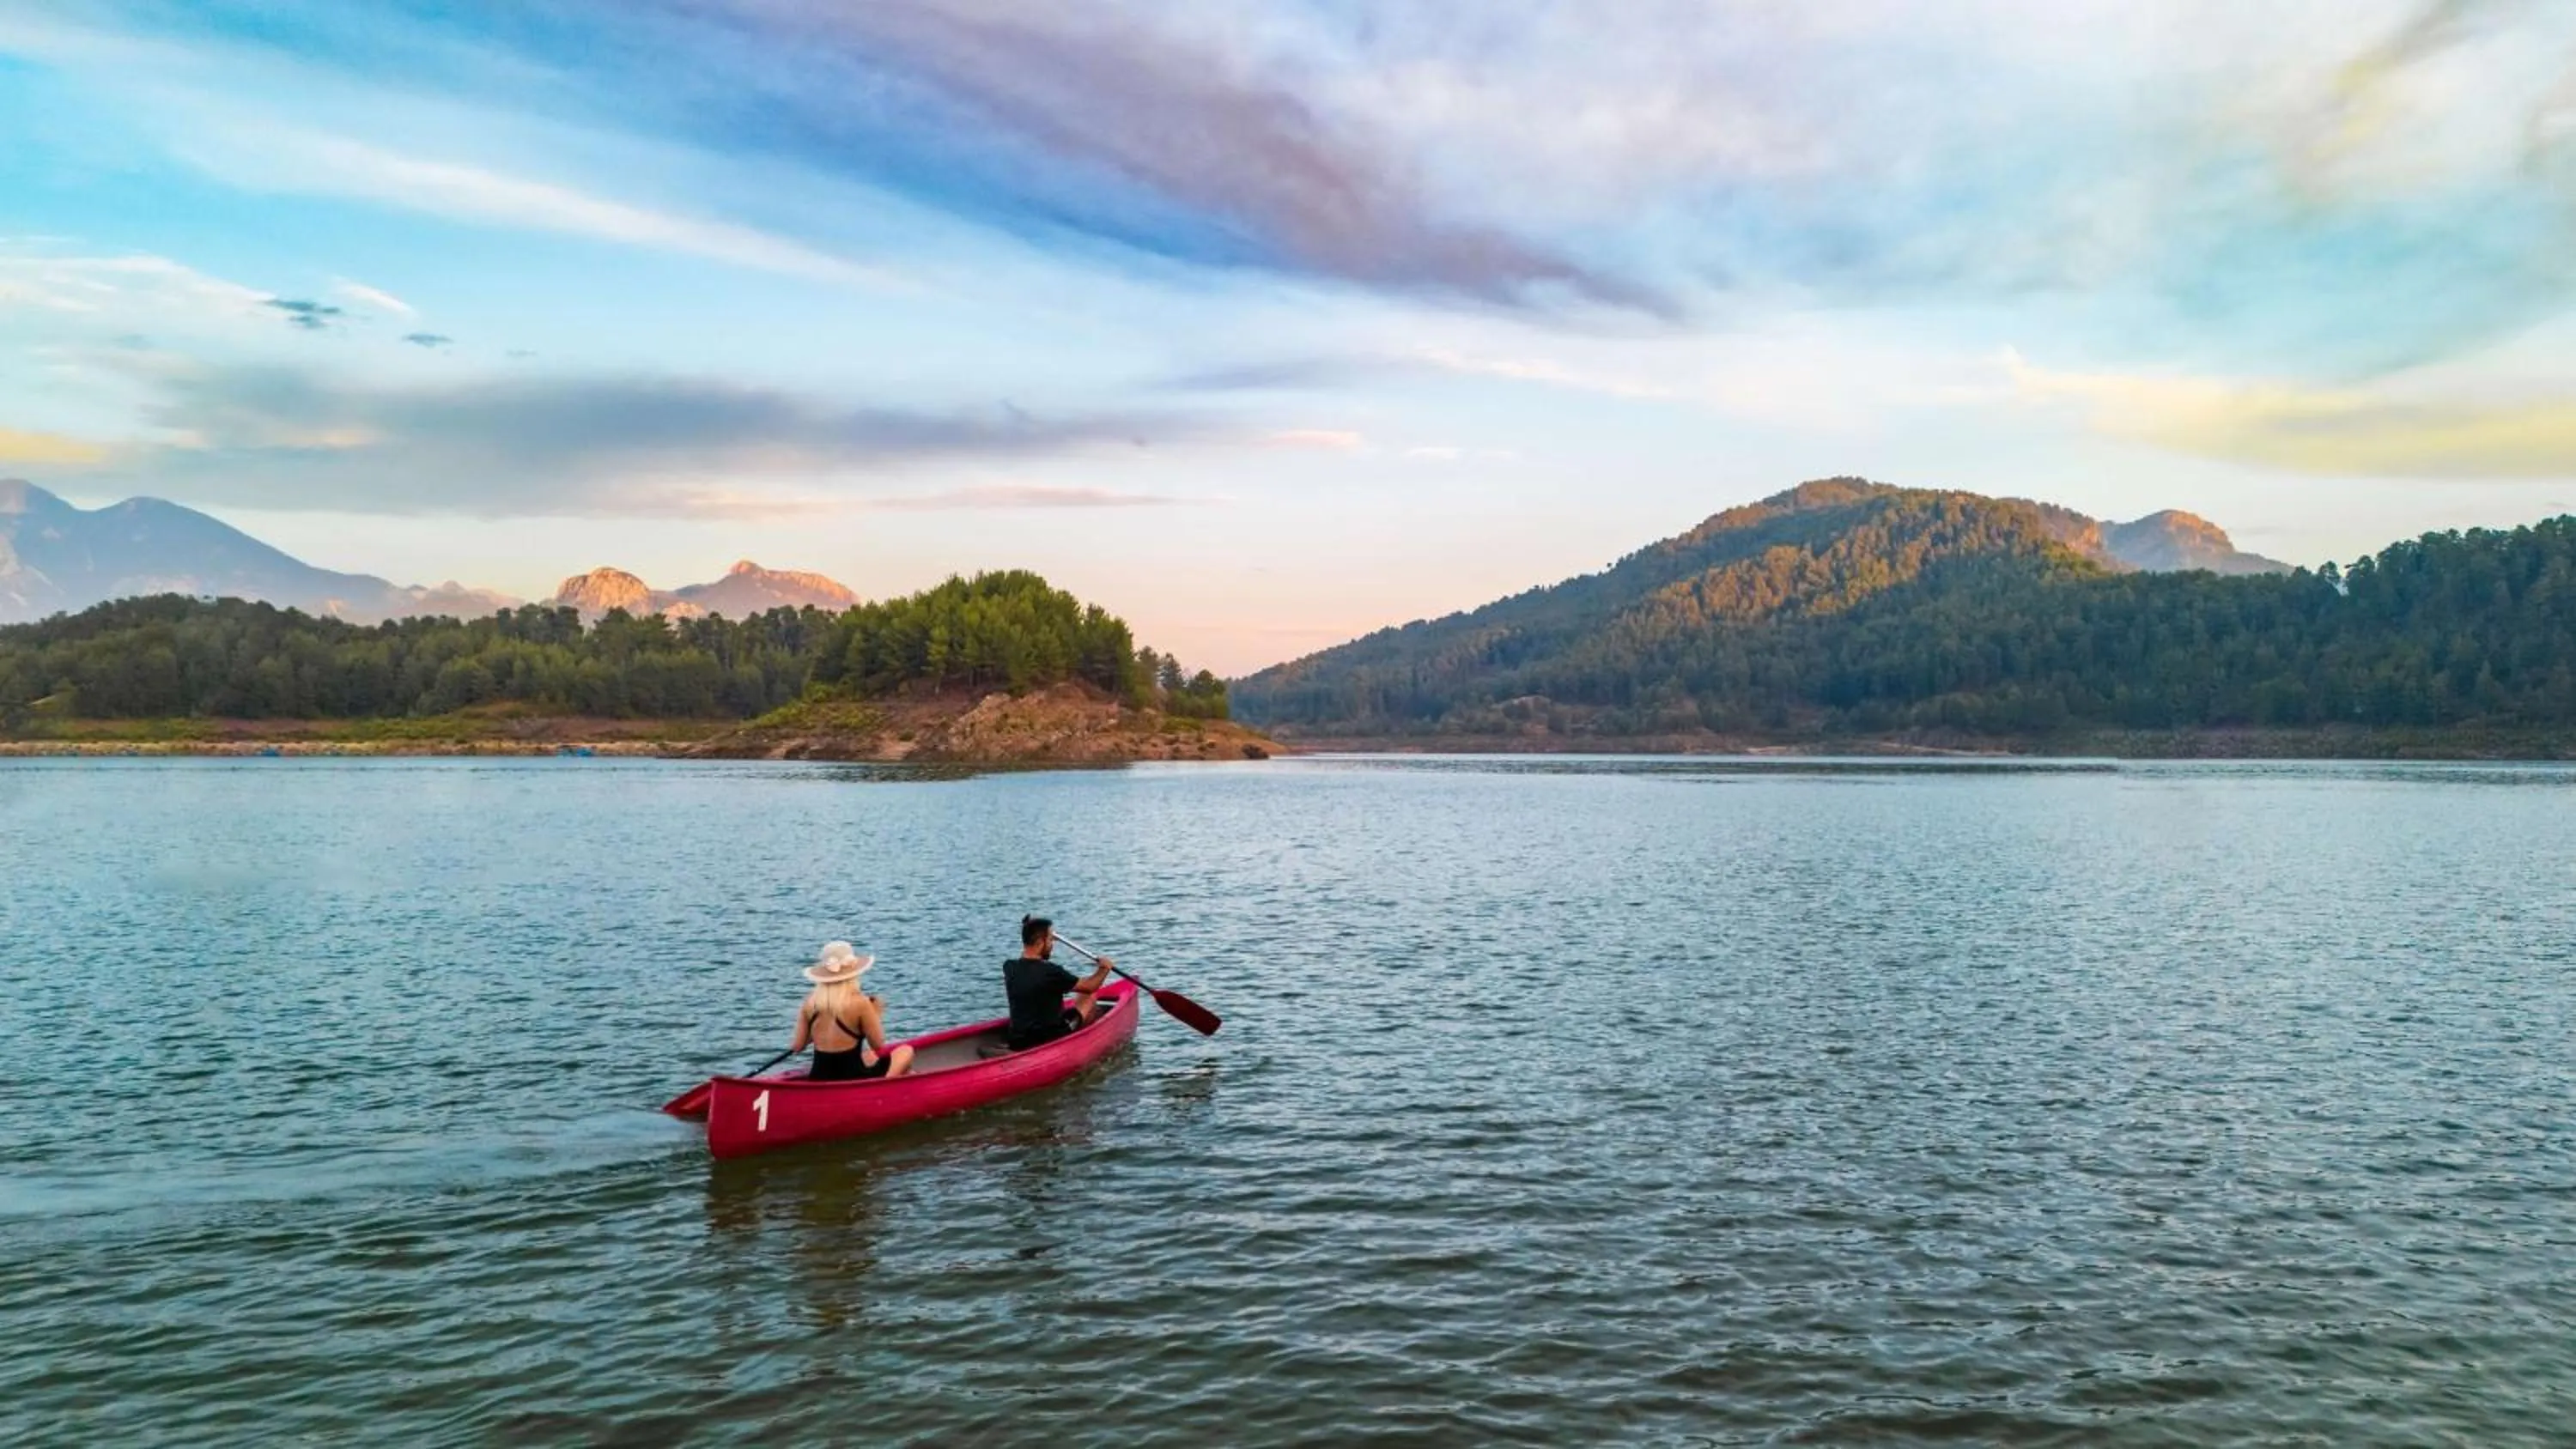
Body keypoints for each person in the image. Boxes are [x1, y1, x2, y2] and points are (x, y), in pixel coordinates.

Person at [791, 941, 914, 1082]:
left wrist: (818, 1030)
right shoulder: (860, 1003)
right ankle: (888, 1086)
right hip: (853, 1078)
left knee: (869, 1056)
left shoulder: (810, 1003)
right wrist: (875, 1014)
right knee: (906, 1051)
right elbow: (878, 1045)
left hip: (819, 1077)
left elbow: (798, 1046)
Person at [1003, 914, 1111, 1050]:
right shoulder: (1052, 972)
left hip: (1017, 1040)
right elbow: (1091, 986)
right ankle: (1082, 1043)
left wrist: (1035, 931)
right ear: (1040, 942)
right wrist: (1104, 968)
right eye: (1050, 940)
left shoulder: (1009, 967)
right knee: (1089, 997)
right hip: (1049, 1038)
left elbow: (1030, 973)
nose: (1052, 945)